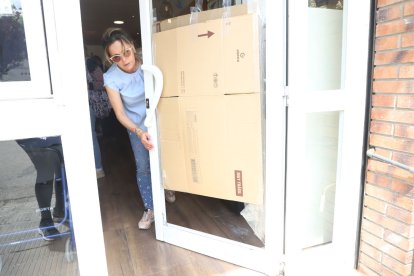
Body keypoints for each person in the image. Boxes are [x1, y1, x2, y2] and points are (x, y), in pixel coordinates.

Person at [101, 28, 175, 230]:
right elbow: (120, 114)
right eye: (116, 57)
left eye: (126, 52)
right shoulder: (111, 78)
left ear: (133, 47)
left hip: (159, 119)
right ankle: (150, 207)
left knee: (166, 157)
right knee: (143, 166)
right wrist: (140, 133)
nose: (125, 60)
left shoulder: (149, 63)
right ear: (110, 60)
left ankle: (167, 187)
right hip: (135, 126)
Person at [16, 136, 66, 240]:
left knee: (64, 171)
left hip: (57, 131)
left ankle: (61, 211)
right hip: (34, 135)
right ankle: (46, 221)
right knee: (46, 170)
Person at [86, 55, 108, 179]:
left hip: (89, 103)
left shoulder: (90, 64)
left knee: (90, 134)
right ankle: (96, 168)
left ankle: (98, 168)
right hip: (85, 103)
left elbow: (102, 82)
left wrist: (89, 86)